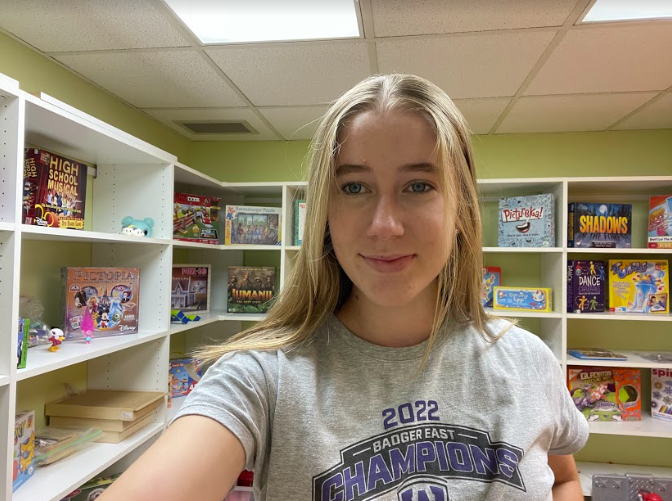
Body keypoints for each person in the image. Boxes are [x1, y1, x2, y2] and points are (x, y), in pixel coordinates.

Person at [99, 74, 588, 501]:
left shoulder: (529, 361)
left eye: (418, 185)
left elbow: (563, 478)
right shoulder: (262, 378)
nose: (385, 225)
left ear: (461, 207)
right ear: (325, 213)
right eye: (354, 187)